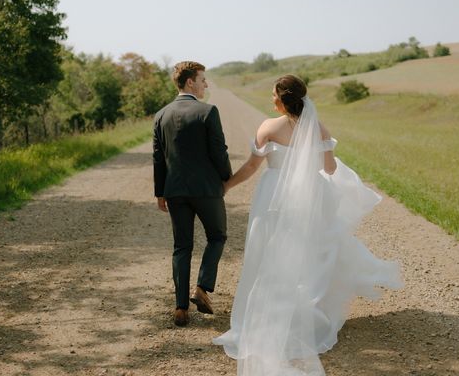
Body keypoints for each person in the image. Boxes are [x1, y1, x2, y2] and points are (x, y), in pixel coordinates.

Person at [213, 74, 403, 375]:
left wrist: (226, 186)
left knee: (267, 251)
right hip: (311, 197)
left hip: (273, 195)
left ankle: (265, 316)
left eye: (273, 94)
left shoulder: (268, 127)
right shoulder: (319, 128)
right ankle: (306, 318)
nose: (271, 99)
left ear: (281, 98)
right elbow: (329, 168)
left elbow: (251, 166)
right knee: (309, 254)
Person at [153, 61, 233, 327]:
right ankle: (201, 288)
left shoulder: (160, 115)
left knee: (181, 246)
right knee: (217, 235)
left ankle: (180, 308)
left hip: (174, 190)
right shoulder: (208, 111)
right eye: (202, 79)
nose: (205, 84)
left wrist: (160, 192)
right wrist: (226, 177)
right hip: (206, 189)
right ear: (190, 82)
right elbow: (218, 151)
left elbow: (158, 158)